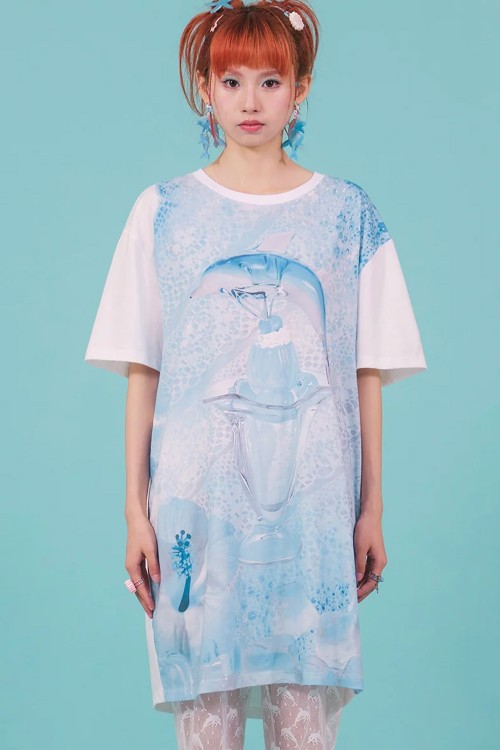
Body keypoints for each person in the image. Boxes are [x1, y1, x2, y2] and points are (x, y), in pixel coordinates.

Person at [84, 1, 428, 748]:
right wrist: (135, 512)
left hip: (313, 508)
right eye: (231, 80)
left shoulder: (346, 214)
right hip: (194, 510)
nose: (250, 100)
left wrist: (371, 507)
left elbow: (365, 370)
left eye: (270, 81)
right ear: (206, 90)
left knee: (304, 719)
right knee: (205, 721)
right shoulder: (163, 212)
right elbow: (143, 368)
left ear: (300, 89)